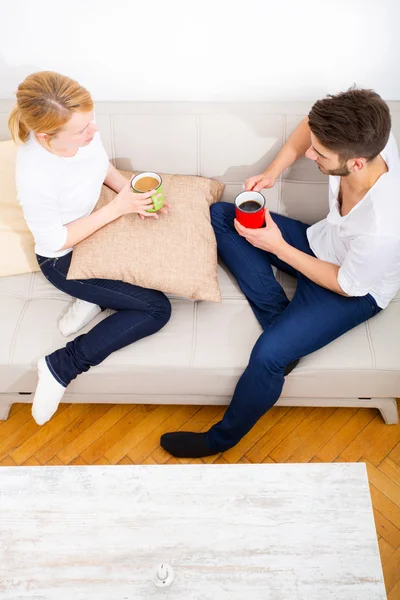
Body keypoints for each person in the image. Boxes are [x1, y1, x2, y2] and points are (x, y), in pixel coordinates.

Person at [161, 87, 400, 458]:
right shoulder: (369, 138)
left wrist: (277, 246)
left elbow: (348, 284)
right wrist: (272, 172)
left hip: (351, 289)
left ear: (355, 163)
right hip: (317, 242)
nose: (310, 154)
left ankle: (218, 441)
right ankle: (281, 318)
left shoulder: (383, 227)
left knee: (268, 355)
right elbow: (311, 126)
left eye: (319, 154)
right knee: (224, 216)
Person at [9, 71, 171, 425]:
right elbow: (53, 242)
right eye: (83, 130)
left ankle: (95, 298)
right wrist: (119, 208)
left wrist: (134, 193)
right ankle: (60, 366)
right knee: (156, 309)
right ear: (45, 136)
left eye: (91, 121)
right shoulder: (36, 175)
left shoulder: (81, 132)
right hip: (64, 259)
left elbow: (102, 167)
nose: (93, 131)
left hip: (96, 227)